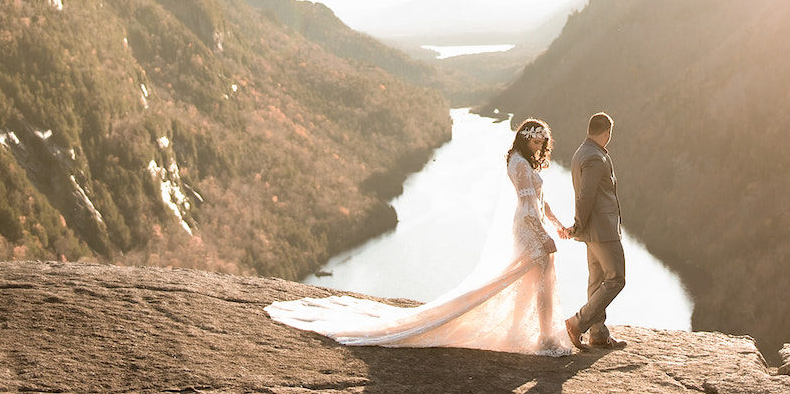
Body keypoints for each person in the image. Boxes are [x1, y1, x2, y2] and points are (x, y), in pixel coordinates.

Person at [264, 118, 573, 356]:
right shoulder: (518, 164)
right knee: (535, 276)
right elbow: (526, 203)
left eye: (542, 139)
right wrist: (540, 233)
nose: (539, 142)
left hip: (535, 226)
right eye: (535, 137)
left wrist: (555, 224)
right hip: (528, 227)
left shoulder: (524, 162)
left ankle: (535, 332)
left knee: (533, 278)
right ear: (524, 137)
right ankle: (542, 335)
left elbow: (540, 200)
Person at [562, 112, 627, 350]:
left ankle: (598, 334)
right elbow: (586, 195)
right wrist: (578, 223)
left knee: (597, 279)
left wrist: (581, 225)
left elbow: (584, 193)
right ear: (607, 132)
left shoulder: (581, 152)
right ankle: (577, 323)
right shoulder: (595, 157)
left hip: (593, 229)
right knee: (616, 278)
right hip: (602, 229)